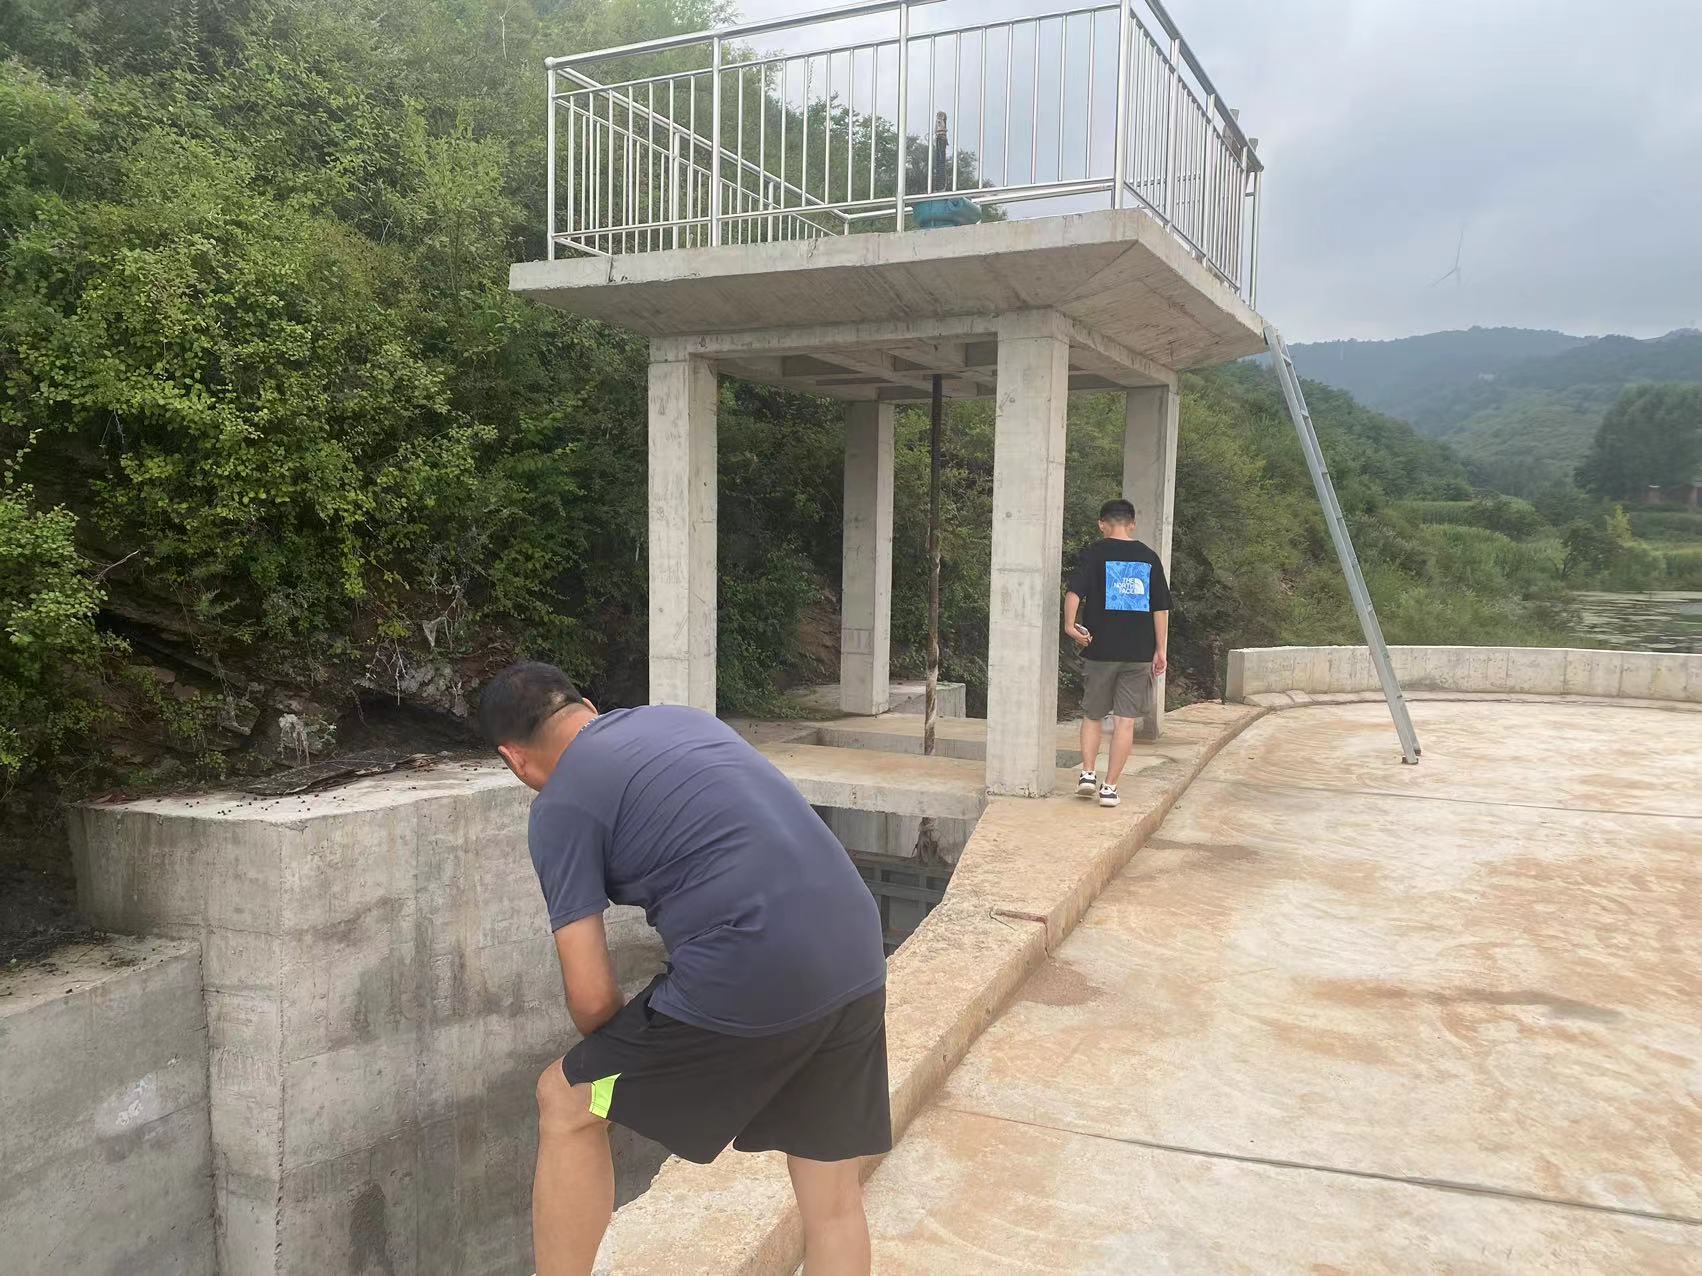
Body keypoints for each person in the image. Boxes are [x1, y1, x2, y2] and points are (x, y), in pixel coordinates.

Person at [477, 662, 890, 1276]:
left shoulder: (560, 805)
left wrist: (622, 1062)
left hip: (755, 965)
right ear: (589, 708)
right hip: (855, 949)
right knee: (831, 1198)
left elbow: (591, 998)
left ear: (514, 759)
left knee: (567, 1101)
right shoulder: (677, 721)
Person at [1062, 498, 1172, 808]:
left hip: (1099, 649)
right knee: (1125, 722)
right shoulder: (1149, 558)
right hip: (1138, 652)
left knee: (1093, 715)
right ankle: (1109, 788)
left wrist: (1070, 626)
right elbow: (1160, 608)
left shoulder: (1094, 553)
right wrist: (1161, 649)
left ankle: (1087, 774)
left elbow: (1074, 592)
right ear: (1132, 524)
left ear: (1102, 524)